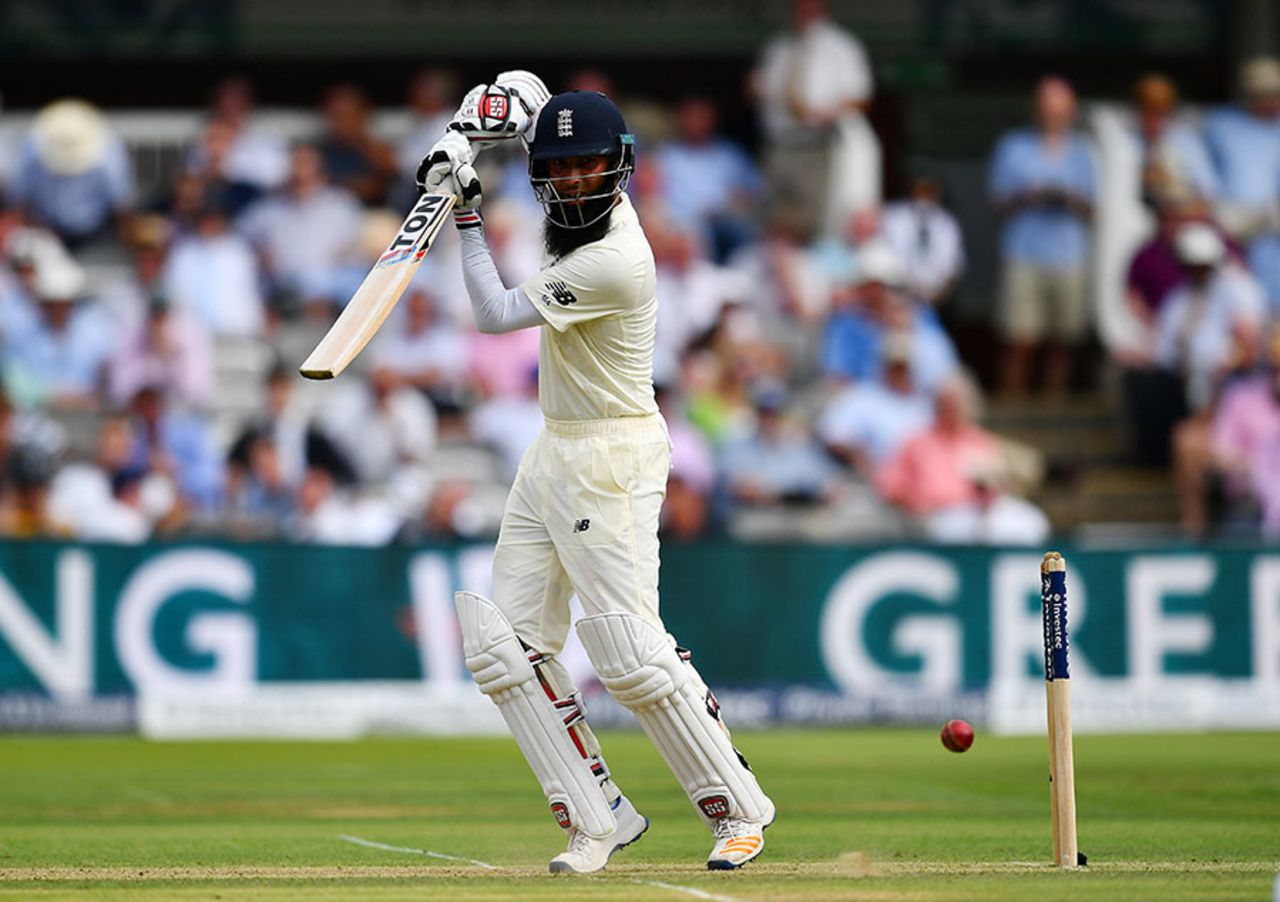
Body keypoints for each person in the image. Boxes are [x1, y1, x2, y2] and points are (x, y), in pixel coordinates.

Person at [418, 73, 774, 874]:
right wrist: (495, 115)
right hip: (554, 446)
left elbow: (496, 315)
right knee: (505, 649)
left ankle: (740, 812)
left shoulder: (617, 257)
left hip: (612, 453)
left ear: (619, 168)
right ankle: (596, 817)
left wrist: (465, 209)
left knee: (627, 652)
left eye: (588, 167)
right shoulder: (564, 197)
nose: (574, 179)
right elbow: (538, 108)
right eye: (559, 168)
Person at [989, 76, 1096, 396]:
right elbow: (996, 203)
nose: (1053, 115)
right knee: (1019, 339)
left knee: (1063, 341)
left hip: (1070, 255)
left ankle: (1055, 409)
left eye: (1060, 109)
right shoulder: (1012, 147)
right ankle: (1012, 409)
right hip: (1023, 252)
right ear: (1036, 110)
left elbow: (1095, 208)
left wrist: (1069, 199)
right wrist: (1026, 197)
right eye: (1047, 108)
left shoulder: (1084, 152)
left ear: (1071, 112)